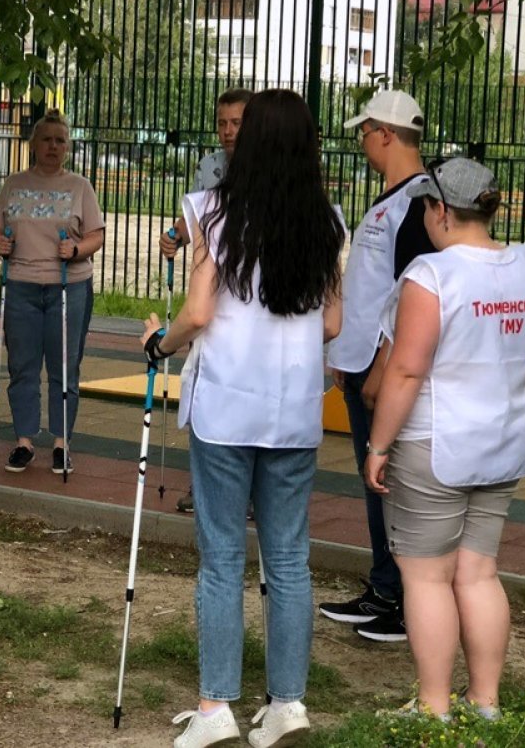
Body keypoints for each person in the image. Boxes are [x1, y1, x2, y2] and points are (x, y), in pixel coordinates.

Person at [142, 89, 345, 748]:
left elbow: (198, 313)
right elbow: (335, 321)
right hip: (294, 411)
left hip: (228, 405)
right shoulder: (327, 221)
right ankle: (287, 704)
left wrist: (159, 342)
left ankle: (215, 708)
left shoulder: (211, 213)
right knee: (289, 560)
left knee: (222, 560)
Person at [363, 158, 525, 719]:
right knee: (478, 572)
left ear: (442, 209)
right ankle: (485, 700)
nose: (423, 216)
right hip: (502, 442)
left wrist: (377, 446)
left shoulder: (433, 275)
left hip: (434, 444)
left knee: (425, 577)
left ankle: (433, 704)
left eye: (426, 205)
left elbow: (404, 371)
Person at [319, 89, 434, 644]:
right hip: (362, 361)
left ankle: (404, 598)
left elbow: (414, 294)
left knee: (389, 481)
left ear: (386, 133)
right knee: (375, 483)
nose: (361, 142)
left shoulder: (417, 202)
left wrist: (382, 367)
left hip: (380, 367)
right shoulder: (395, 199)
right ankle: (385, 586)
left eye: (364, 132)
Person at [0, 109, 105, 475]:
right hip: (20, 283)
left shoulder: (80, 186)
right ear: (33, 143)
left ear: (68, 146)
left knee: (64, 366)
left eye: (60, 140)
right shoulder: (14, 183)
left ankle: (60, 443)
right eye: (46, 139)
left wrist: (76, 250)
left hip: (67, 286)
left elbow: (96, 235)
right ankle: (24, 441)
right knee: (22, 366)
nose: (53, 146)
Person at [158, 88, 252, 514]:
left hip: (247, 302)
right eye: (223, 123)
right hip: (208, 289)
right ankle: (203, 486)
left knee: (244, 395)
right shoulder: (209, 165)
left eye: (237, 122)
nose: (229, 131)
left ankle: (247, 492)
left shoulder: (264, 169)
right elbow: (196, 213)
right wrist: (177, 234)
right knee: (203, 390)